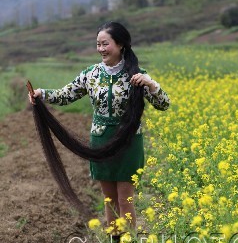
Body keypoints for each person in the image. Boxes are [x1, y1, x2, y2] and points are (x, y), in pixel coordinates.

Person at [29, 21, 170, 231]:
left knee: (125, 199)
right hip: (101, 141)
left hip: (129, 142)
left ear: (120, 44)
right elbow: (66, 95)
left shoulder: (137, 74)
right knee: (109, 199)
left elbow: (164, 104)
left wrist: (151, 84)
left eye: (105, 44)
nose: (101, 49)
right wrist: (43, 93)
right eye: (98, 44)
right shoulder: (91, 74)